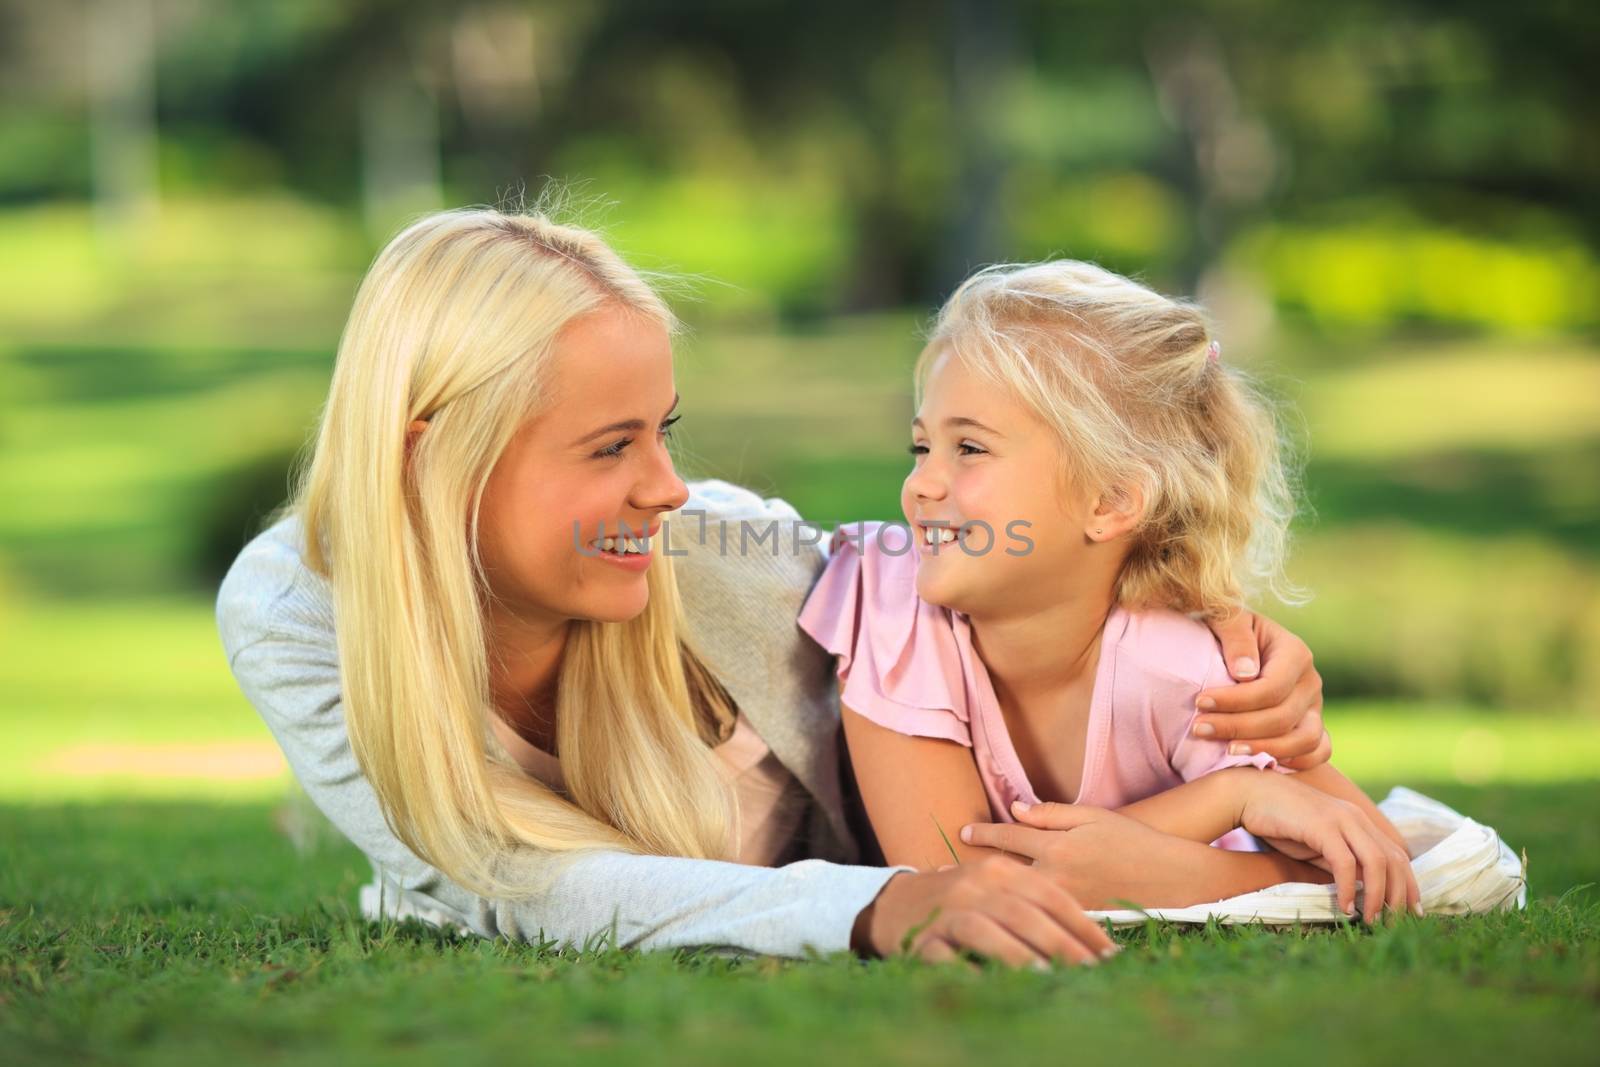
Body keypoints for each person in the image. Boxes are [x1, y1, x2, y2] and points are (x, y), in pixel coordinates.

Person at [216, 208, 1331, 970]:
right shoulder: (294, 613)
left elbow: (995, 585)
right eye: (609, 446)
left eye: (666, 432)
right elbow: (508, 880)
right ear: (431, 457)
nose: (664, 487)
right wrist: (868, 907)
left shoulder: (729, 561)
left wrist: (1211, 631)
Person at [799, 259, 1419, 925]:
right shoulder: (894, 606)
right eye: (922, 447)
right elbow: (954, 882)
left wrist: (1182, 846)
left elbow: (1384, 864)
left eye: (970, 449)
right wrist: (1226, 800)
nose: (921, 485)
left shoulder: (1185, 669)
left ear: (1112, 501)